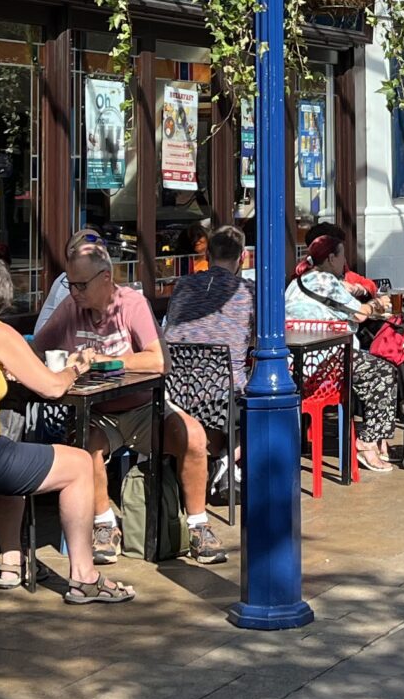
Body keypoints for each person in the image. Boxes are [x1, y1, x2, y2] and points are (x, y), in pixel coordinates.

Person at [0, 256, 135, 599]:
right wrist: (76, 367)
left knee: (15, 446)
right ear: (3, 298)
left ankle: (11, 561)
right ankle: (84, 576)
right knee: (80, 463)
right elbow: (52, 388)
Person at [32, 246, 228, 561]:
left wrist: (108, 360)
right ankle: (104, 525)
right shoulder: (70, 307)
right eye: (70, 284)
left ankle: (197, 525)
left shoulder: (131, 304)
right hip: (95, 413)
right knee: (85, 446)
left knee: (193, 436)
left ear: (106, 277)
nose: (75, 292)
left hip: (143, 409)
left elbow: (159, 361)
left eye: (81, 285)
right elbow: (38, 348)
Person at [280, 236, 404, 473]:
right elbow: (359, 315)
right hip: (326, 363)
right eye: (342, 255)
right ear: (331, 258)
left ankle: (377, 439)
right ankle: (368, 442)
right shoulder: (327, 282)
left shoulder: (295, 284)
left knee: (371, 367)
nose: (345, 261)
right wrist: (378, 303)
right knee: (385, 372)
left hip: (295, 366)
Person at [162, 226, 254, 394]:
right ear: (242, 257)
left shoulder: (183, 285)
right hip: (225, 392)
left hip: (177, 388)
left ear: (207, 255)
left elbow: (169, 325)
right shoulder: (248, 291)